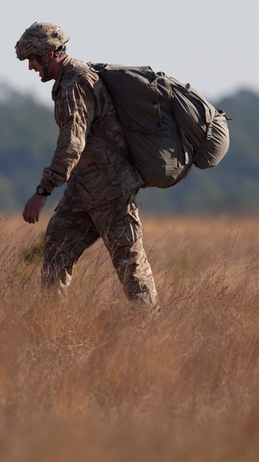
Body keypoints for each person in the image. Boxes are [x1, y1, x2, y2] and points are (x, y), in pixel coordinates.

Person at [16, 22, 158, 307]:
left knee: (129, 262)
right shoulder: (70, 80)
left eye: (33, 58)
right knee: (57, 248)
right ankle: (49, 322)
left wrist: (44, 190)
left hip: (111, 189)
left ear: (50, 53)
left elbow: (72, 142)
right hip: (84, 189)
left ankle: (150, 331)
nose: (31, 66)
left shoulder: (75, 84)